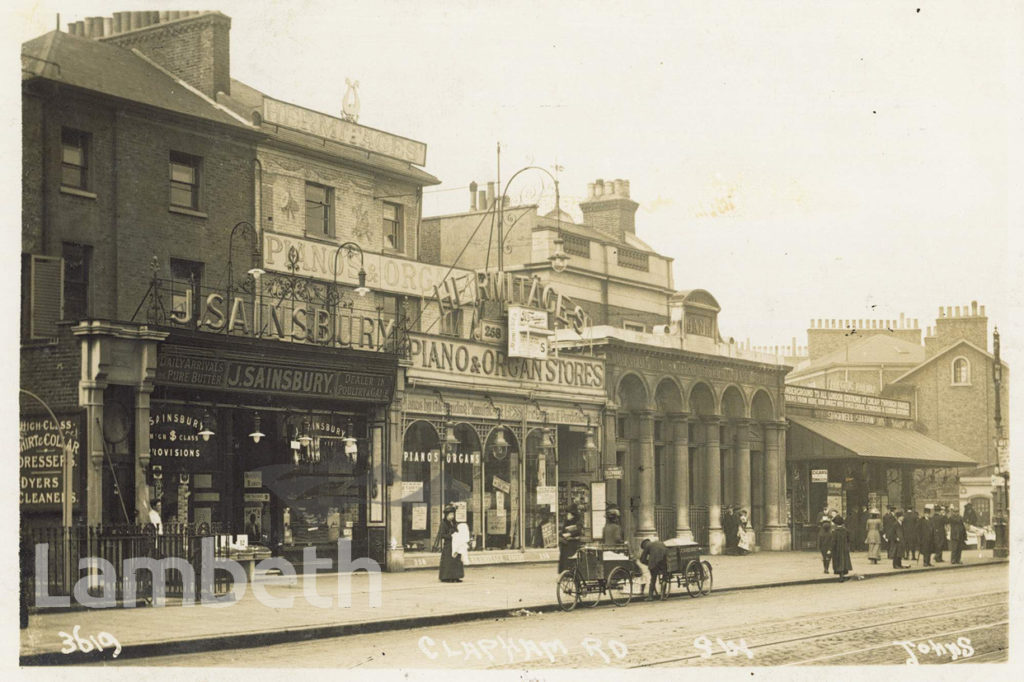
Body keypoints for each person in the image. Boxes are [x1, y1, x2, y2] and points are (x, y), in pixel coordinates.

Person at [438, 504, 464, 582]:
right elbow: (442, 535)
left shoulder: (454, 523)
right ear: (446, 515)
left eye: (453, 514)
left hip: (455, 545)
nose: (452, 516)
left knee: (456, 561)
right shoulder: (443, 523)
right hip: (448, 545)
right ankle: (447, 577)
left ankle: (456, 576)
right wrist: (451, 536)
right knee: (448, 561)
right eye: (450, 514)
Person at [558, 504, 584, 573]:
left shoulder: (578, 521)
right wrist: (563, 534)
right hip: (566, 543)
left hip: (573, 543)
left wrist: (570, 534)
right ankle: (565, 572)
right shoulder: (567, 521)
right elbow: (563, 530)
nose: (567, 516)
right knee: (564, 557)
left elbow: (579, 530)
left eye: (568, 514)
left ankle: (571, 572)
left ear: (573, 515)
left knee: (571, 558)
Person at [829, 515, 853, 582]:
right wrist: (848, 546)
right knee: (844, 560)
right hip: (845, 548)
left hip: (837, 549)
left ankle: (841, 576)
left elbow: (833, 542)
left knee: (838, 561)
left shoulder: (835, 532)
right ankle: (843, 574)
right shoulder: (846, 531)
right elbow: (849, 540)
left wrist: (830, 549)